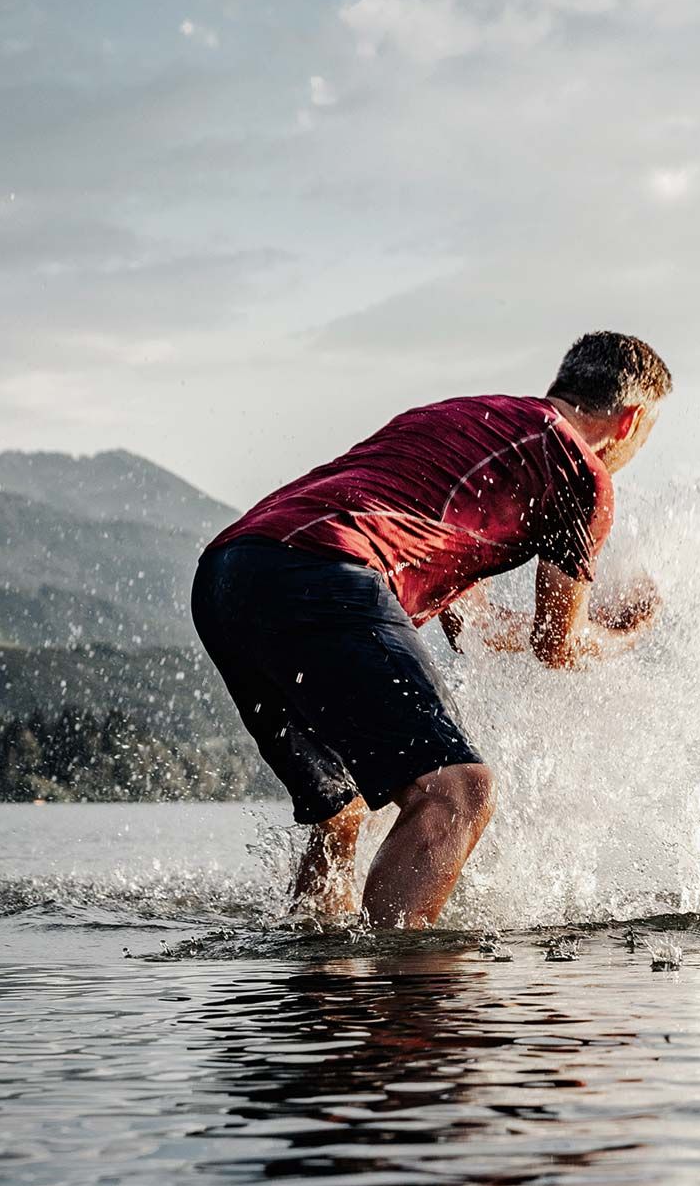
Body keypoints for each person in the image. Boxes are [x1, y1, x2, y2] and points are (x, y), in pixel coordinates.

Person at [192, 331, 672, 928]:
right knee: (458, 793)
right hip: (323, 568)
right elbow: (557, 646)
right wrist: (627, 630)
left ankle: (323, 980)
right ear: (629, 422)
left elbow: (474, 627)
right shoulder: (581, 469)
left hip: (229, 574)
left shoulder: (466, 422)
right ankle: (404, 1001)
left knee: (340, 810)